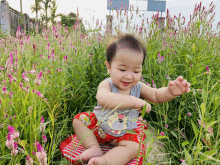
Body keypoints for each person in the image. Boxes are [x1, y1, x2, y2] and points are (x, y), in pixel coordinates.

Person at [72, 33, 191, 165]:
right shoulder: (106, 84)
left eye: (136, 71)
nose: (129, 76)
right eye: (122, 69)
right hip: (100, 127)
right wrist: (133, 101)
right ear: (109, 67)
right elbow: (103, 98)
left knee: (135, 147)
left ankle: (105, 161)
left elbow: (156, 95)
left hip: (125, 132)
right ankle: (93, 147)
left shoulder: (138, 87)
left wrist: (170, 91)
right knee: (78, 120)